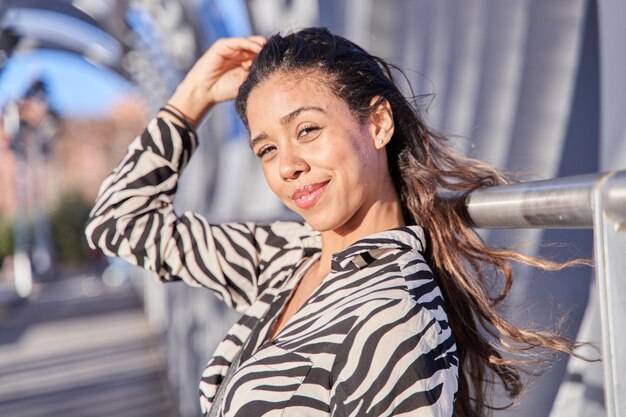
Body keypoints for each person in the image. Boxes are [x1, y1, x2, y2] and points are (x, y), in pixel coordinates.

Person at [85, 27, 584, 417]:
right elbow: (118, 222)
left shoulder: (395, 313)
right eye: (267, 149)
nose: (287, 165)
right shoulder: (287, 258)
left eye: (307, 130)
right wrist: (190, 99)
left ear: (378, 123)